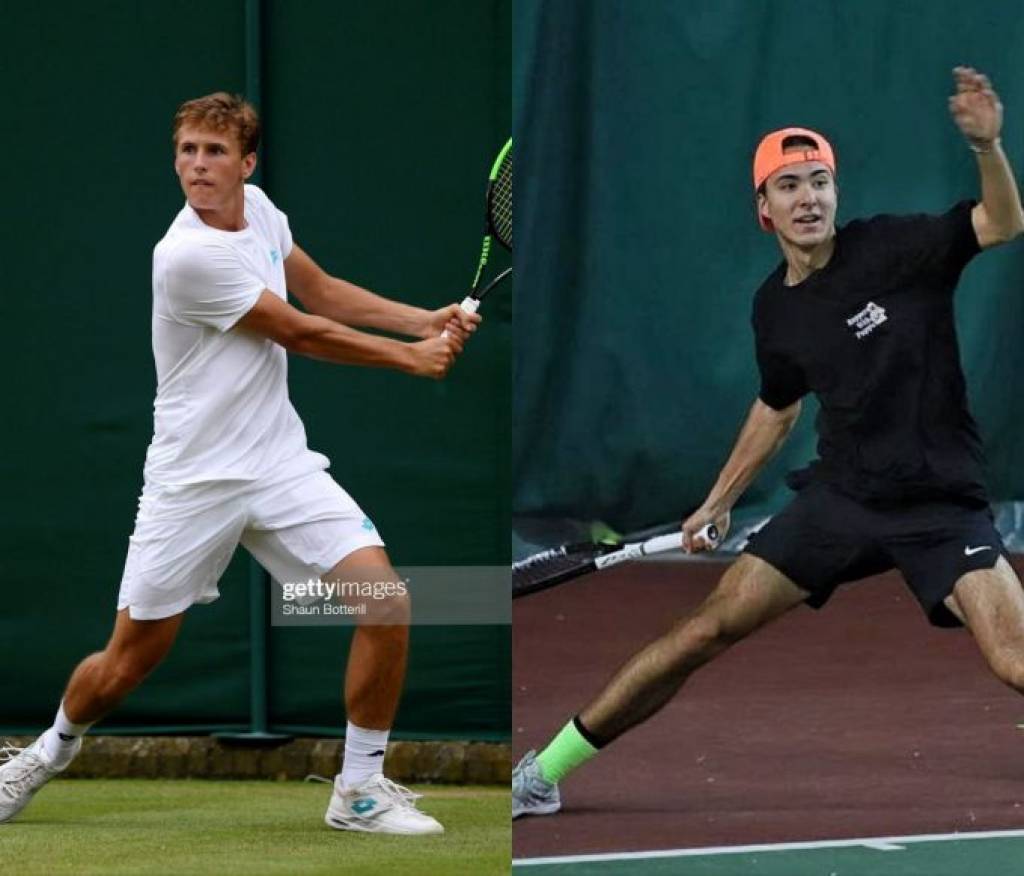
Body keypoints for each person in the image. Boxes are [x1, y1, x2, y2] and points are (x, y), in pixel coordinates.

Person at [513, 66, 1024, 819]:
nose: (807, 198)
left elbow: (1002, 223)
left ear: (836, 194)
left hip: (941, 505)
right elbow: (777, 407)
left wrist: (987, 146)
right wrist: (716, 502)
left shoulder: (897, 249)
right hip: (842, 501)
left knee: (1013, 660)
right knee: (703, 629)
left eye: (819, 182)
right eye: (788, 186)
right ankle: (542, 774)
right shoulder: (774, 310)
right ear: (764, 209)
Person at [0, 92, 481, 835]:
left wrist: (422, 318)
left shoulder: (258, 211)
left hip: (279, 464)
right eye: (188, 151)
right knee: (127, 662)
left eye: (215, 151)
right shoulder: (185, 256)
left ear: (247, 163)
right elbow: (300, 331)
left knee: (385, 602)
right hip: (193, 483)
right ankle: (44, 754)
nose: (198, 165)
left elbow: (319, 290)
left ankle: (358, 790)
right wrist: (409, 358)